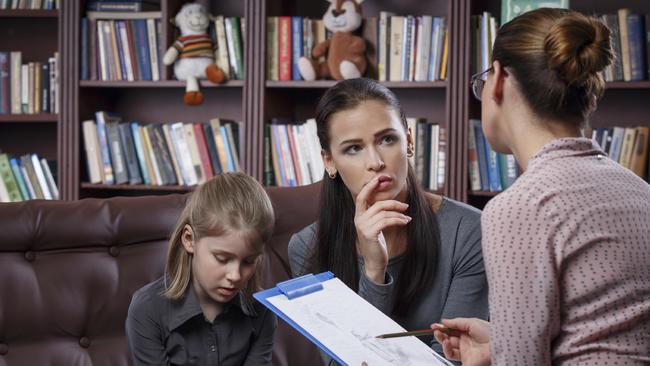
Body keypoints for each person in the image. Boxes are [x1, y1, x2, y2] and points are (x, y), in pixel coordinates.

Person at [433, 7, 650, 365]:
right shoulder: (639, 191)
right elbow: (603, 330)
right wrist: (500, 343)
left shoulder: (522, 207)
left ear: (498, 79)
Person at [288, 78, 489, 361]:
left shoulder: (468, 231)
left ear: (408, 141)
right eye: (353, 148)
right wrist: (373, 272)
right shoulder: (306, 246)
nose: (375, 161)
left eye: (387, 139)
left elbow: (452, 359)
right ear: (329, 161)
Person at [125, 172, 277, 365]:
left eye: (249, 261)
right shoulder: (147, 310)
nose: (235, 275)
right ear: (189, 240)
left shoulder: (263, 312)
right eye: (222, 259)